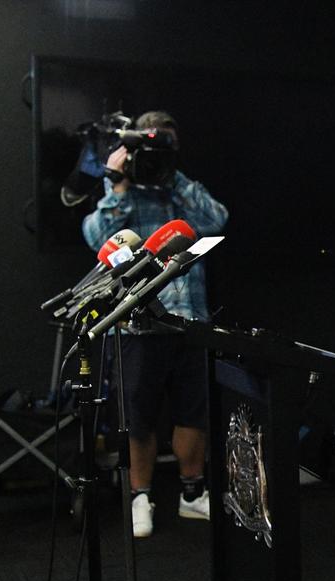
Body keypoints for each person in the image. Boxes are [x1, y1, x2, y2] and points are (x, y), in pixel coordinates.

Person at [81, 110, 229, 538]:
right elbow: (96, 238)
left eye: (165, 145)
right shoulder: (124, 197)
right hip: (137, 328)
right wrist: (117, 183)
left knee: (194, 415)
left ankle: (191, 494)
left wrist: (173, 175)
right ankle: (140, 498)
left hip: (190, 325)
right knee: (138, 421)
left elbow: (218, 218)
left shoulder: (179, 192)